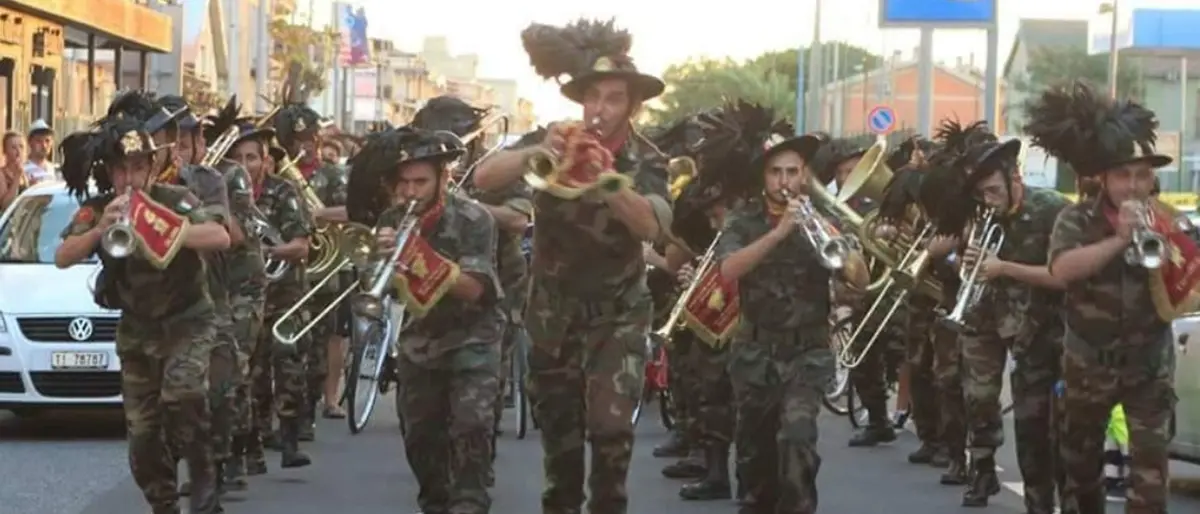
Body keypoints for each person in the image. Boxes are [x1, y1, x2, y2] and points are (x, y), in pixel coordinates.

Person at [472, 19, 673, 514]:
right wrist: (535, 155)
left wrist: (605, 175)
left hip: (618, 315)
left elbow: (651, 228)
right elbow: (481, 179)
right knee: (560, 445)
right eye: (593, 98)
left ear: (632, 106)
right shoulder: (554, 138)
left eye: (612, 99)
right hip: (551, 313)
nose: (599, 110)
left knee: (609, 432)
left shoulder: (648, 160)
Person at [54, 112, 231, 514]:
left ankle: (203, 471)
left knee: (183, 393)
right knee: (144, 438)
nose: (129, 179)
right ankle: (164, 504)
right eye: (121, 170)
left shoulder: (176, 199)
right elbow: (62, 257)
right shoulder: (100, 208)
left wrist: (169, 229)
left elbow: (220, 236)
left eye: (137, 168)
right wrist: (101, 229)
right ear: (110, 172)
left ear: (153, 167)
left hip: (188, 321)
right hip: (137, 332)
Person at [1030, 81, 1190, 514]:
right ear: (1103, 177)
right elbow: (1061, 271)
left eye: (1143, 175)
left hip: (1149, 368)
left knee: (1151, 483)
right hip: (1087, 366)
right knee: (1081, 478)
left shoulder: (1171, 222)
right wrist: (1119, 240)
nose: (1134, 185)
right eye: (1124, 175)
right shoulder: (1075, 218)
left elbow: (1191, 287)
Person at [715, 124, 869, 513]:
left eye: (793, 171)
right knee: (755, 460)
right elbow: (729, 270)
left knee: (797, 441)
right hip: (755, 354)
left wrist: (846, 247)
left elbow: (860, 279)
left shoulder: (822, 218)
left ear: (805, 175)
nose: (784, 180)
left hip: (807, 353)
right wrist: (779, 233)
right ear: (764, 176)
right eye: (775, 172)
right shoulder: (743, 220)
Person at [359, 126, 503, 514]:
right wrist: (376, 259)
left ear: (445, 178)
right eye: (403, 182)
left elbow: (475, 288)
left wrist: (418, 257)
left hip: (474, 338)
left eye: (420, 181)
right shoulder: (391, 216)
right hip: (421, 343)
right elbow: (376, 284)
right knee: (420, 439)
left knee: (471, 427)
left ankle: (470, 502)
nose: (410, 192)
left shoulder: (475, 218)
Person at [941, 129, 1070, 511]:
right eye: (981, 193)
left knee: (1041, 427)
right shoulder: (981, 212)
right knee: (977, 396)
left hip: (1039, 327)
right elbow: (969, 262)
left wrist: (1003, 268)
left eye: (994, 190)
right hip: (985, 315)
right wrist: (967, 263)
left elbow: (1063, 274)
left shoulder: (1052, 209)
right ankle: (982, 470)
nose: (988, 200)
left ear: (1015, 178)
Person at [411, 95, 533, 449]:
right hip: (435, 289)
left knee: (482, 394)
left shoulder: (495, 170)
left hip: (496, 290)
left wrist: (461, 204)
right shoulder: (423, 172)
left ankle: (476, 465)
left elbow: (518, 219)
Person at [662, 100, 762, 501]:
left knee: (754, 399)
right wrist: (691, 273)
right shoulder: (701, 198)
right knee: (712, 390)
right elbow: (686, 246)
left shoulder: (761, 196)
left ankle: (752, 478)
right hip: (716, 299)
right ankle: (717, 471)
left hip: (758, 303)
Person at [273, 99, 350, 432]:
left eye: (313, 138)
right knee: (283, 347)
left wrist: (317, 214)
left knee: (317, 344)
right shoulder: (277, 174)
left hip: (323, 267)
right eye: (301, 140)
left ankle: (308, 411)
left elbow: (351, 211)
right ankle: (279, 415)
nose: (309, 145)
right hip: (286, 271)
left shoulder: (331, 174)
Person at [244, 114, 315, 471]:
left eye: (251, 158)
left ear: (265, 160)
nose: (244, 166)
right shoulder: (225, 196)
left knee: (289, 366)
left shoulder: (283, 191)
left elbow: (301, 246)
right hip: (247, 297)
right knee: (251, 373)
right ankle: (253, 448)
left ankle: (289, 441)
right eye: (237, 159)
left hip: (285, 294)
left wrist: (268, 251)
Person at [24, 119, 56, 184]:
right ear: (30, 142)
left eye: (47, 141)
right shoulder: (23, 169)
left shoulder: (55, 169)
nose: (44, 145)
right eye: (38, 141)